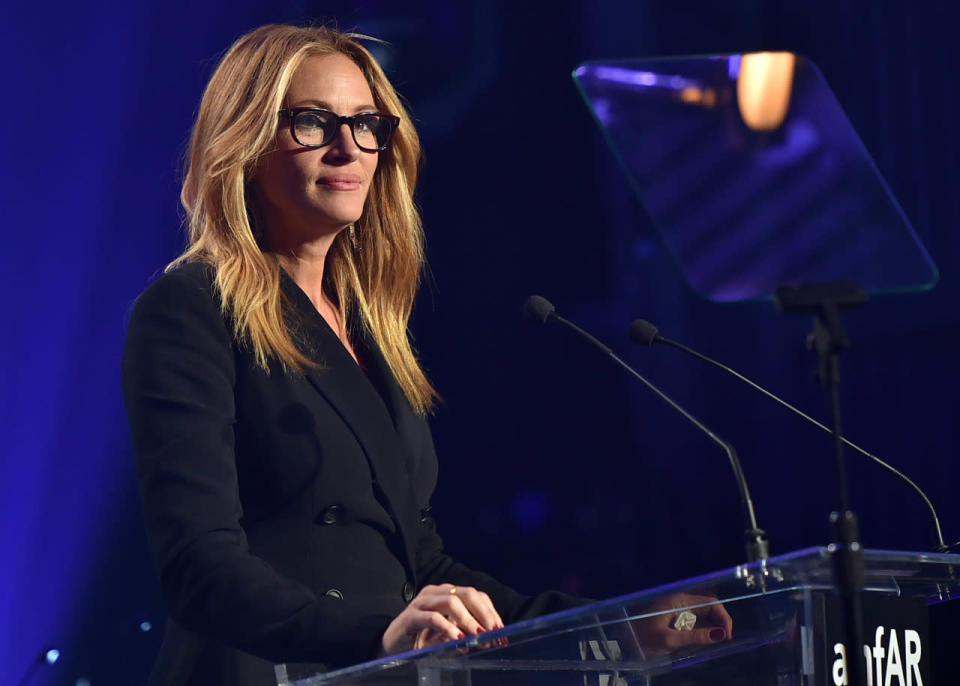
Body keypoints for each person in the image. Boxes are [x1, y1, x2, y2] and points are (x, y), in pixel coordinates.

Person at [122, 23, 731, 686]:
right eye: (311, 122)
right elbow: (199, 567)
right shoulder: (190, 309)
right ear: (245, 140)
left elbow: (420, 569)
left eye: (366, 124)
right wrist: (377, 634)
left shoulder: (368, 329)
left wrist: (616, 627)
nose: (346, 146)